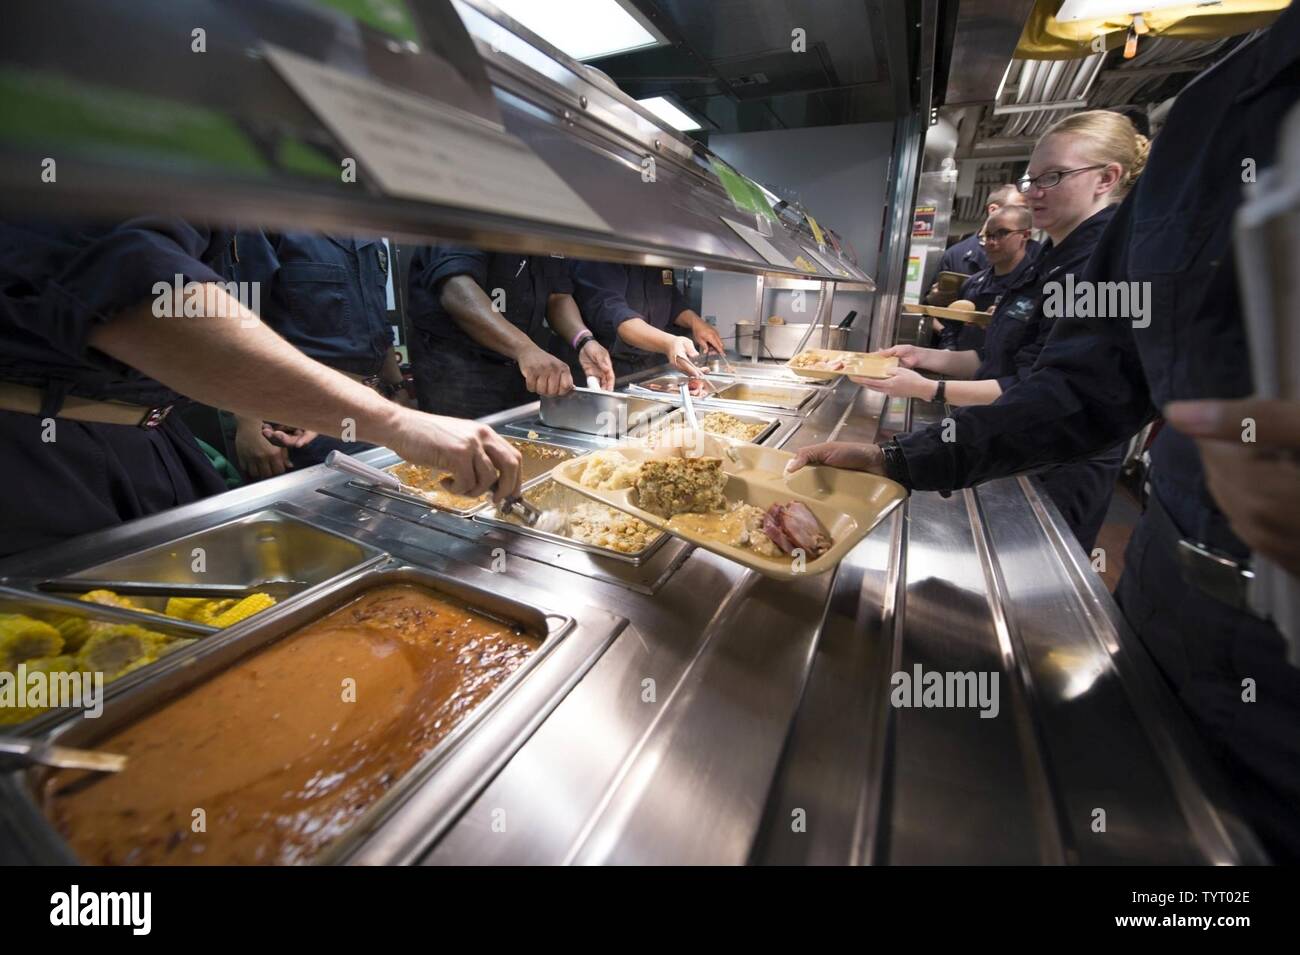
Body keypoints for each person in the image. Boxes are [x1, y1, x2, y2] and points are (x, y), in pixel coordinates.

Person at [790, 7, 1300, 863]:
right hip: (1171, 609)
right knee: (1158, 840)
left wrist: (920, 402)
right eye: (1024, 185)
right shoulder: (1221, 112)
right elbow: (1074, 389)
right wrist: (897, 457)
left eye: (1046, 182)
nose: (1026, 200)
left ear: (1105, 179)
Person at [0, 218, 522, 559]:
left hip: (158, 435)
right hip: (43, 452)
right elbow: (155, 307)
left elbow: (275, 326)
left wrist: (389, 394)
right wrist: (400, 424)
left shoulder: (251, 211)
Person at [862, 111, 1147, 550]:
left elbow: (1048, 390)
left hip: (1059, 463)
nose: (1034, 192)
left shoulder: (1106, 266)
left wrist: (927, 392)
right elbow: (998, 356)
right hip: (1014, 442)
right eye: (1031, 179)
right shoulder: (1046, 261)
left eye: (1052, 177)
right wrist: (926, 359)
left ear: (1106, 178)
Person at [222, 231, 407, 478]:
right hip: (300, 414)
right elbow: (239, 320)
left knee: (384, 499)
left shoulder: (368, 237)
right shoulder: (268, 225)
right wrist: (248, 424)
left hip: (367, 403)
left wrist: (397, 386)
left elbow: (378, 325)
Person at [406, 247, 615, 419]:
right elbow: (456, 288)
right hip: (459, 375)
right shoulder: (472, 203)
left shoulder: (547, 223)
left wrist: (584, 340)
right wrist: (525, 348)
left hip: (519, 374)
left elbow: (557, 297)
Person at [572, 262, 725, 379]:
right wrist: (669, 343)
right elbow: (617, 315)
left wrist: (696, 323)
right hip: (603, 368)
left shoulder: (658, 259)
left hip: (647, 365)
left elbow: (671, 299)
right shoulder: (606, 255)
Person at [935, 205, 1036, 352]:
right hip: (961, 369)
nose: (992, 242)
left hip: (1005, 372)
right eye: (988, 235)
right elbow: (952, 328)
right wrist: (948, 349)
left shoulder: (1035, 285)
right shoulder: (973, 284)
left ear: (1025, 235)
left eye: (1002, 233)